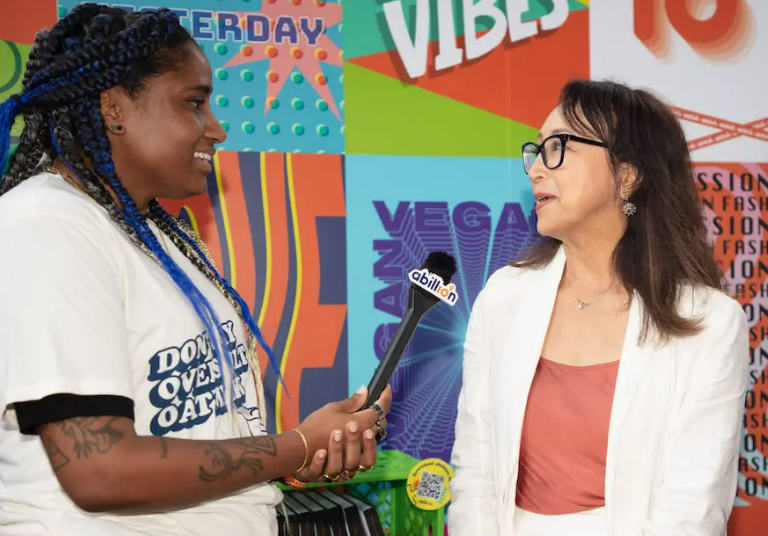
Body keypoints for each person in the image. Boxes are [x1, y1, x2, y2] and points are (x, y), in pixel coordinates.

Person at [0, 5, 391, 535]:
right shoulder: (47, 224)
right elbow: (100, 471)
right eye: (194, 102)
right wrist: (297, 445)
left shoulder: (157, 234)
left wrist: (303, 452)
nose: (218, 129)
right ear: (113, 108)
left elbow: (194, 436)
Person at [448, 79, 749, 536]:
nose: (536, 169)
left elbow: (693, 509)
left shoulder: (710, 324)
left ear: (627, 175)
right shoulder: (503, 297)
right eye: (537, 150)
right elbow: (475, 473)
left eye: (558, 148)